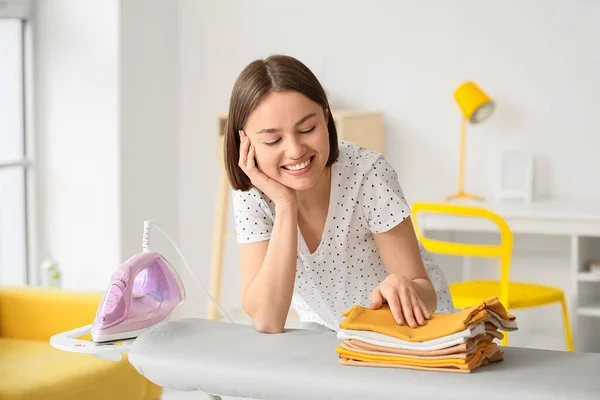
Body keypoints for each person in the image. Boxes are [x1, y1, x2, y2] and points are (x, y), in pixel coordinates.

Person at [223, 54, 454, 334]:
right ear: (244, 142)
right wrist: (285, 204)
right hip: (332, 330)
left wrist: (406, 287)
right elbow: (267, 320)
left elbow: (426, 292)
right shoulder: (252, 195)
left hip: (415, 328)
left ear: (326, 118)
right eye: (273, 140)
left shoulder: (368, 175)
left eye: (308, 128)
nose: (295, 150)